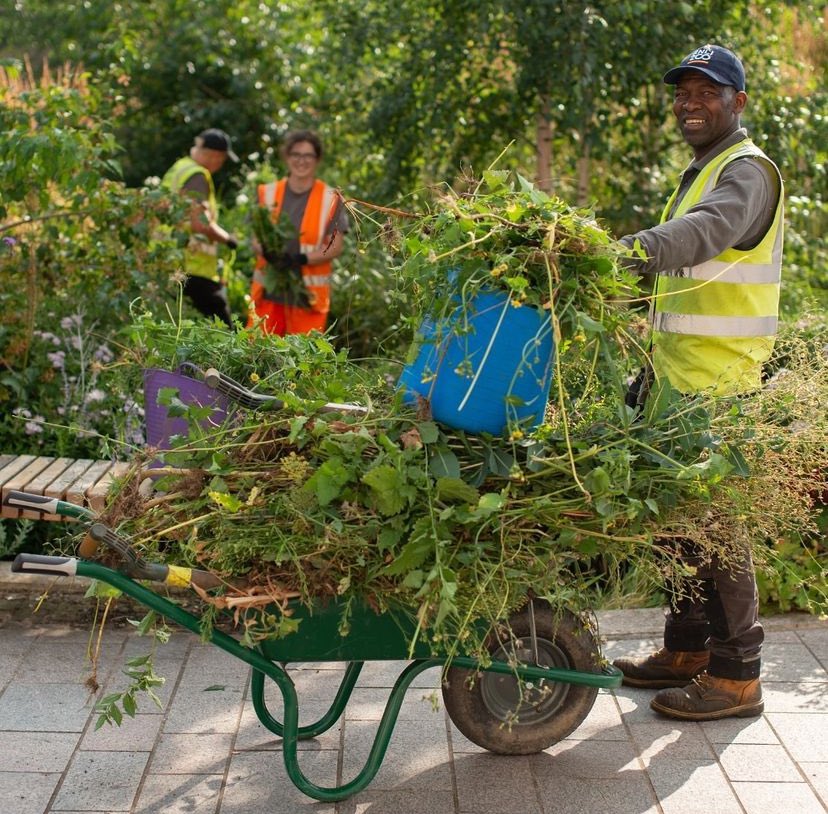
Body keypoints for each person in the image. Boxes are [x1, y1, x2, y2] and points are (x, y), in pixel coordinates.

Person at [612, 44, 784, 721]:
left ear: (737, 102)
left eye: (706, 92)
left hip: (719, 384)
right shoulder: (702, 169)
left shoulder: (747, 172)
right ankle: (687, 648)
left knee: (718, 527)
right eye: (682, 92)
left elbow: (707, 233)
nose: (690, 103)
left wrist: (624, 253)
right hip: (677, 379)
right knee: (676, 521)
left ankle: (738, 674)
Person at [248, 130, 348, 335]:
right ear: (287, 157)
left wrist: (300, 259)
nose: (301, 160)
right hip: (268, 293)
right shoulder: (266, 193)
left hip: (308, 299)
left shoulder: (331, 198)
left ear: (317, 159)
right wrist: (267, 252)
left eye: (308, 155)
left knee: (302, 354)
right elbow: (256, 238)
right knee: (257, 351)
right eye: (296, 154)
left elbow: (335, 247)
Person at [162, 128, 240, 327]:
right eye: (222, 159)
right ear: (215, 155)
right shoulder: (197, 175)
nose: (220, 164)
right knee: (223, 330)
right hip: (192, 266)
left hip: (168, 261)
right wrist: (229, 240)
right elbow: (200, 224)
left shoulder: (180, 168)